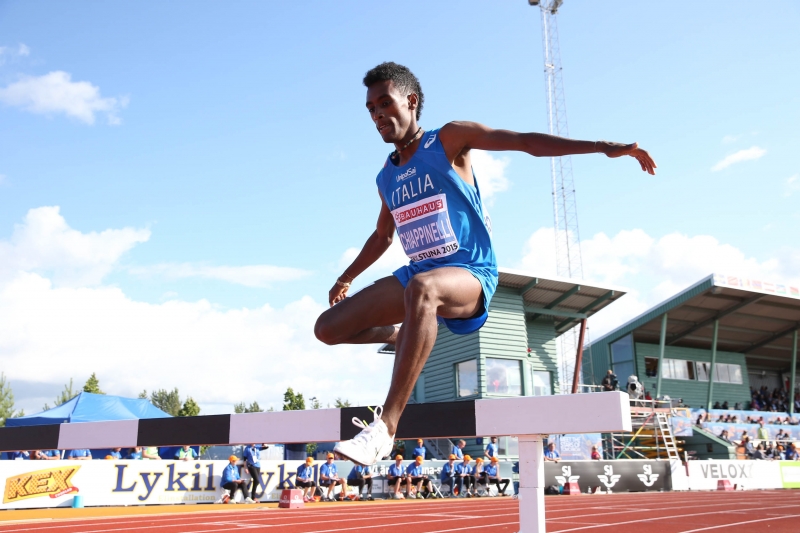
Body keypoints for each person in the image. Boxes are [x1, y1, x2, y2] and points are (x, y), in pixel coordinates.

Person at [315, 62, 656, 466]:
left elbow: (524, 142)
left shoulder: (449, 139)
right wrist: (345, 277)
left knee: (424, 288)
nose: (376, 115)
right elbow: (382, 237)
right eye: (370, 109)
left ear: (411, 101)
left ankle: (385, 429)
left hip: (469, 271)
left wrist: (600, 146)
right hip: (419, 275)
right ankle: (398, 335)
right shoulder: (386, 177)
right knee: (328, 328)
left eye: (384, 103)